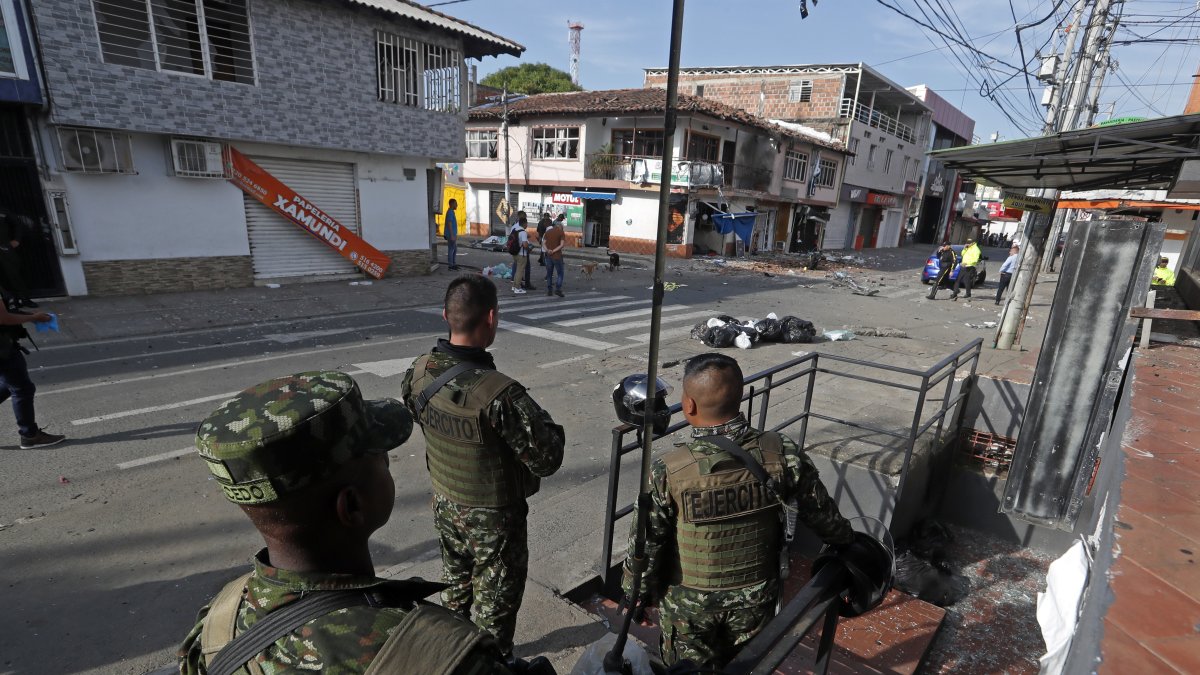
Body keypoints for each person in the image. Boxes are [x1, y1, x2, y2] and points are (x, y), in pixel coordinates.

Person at [177, 370, 519, 674]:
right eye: (381, 459)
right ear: (352, 505)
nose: (387, 464)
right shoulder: (441, 656)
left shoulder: (217, 624)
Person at [622, 353, 854, 669]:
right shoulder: (781, 452)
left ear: (689, 406)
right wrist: (848, 542)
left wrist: (636, 595)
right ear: (740, 395)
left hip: (689, 610)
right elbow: (825, 518)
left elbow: (646, 547)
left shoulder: (669, 471)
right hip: (756, 601)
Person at [401, 275, 565, 662]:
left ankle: (450, 654)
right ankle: (490, 665)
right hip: (493, 519)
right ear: (491, 319)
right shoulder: (500, 394)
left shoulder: (419, 370)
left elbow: (415, 412)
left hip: (445, 502)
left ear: (446, 315)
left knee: (456, 588)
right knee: (496, 605)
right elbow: (547, 459)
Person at [1, 302, 63, 449]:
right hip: (2, 350)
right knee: (22, 389)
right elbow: (2, 318)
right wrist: (33, 317)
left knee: (9, 383)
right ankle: (30, 435)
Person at [0, 210, 36, 309]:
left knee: (14, 274)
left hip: (4, 247)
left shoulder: (3, 211)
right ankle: (11, 301)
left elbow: (17, 224)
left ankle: (24, 299)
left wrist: (17, 239)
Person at [541, 215, 565, 298]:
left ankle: (549, 291)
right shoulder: (561, 232)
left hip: (548, 256)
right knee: (560, 273)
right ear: (560, 227)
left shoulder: (548, 232)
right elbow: (562, 245)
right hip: (557, 256)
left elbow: (543, 243)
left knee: (549, 273)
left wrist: (548, 250)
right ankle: (558, 289)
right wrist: (554, 251)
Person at [508, 213, 531, 295]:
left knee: (517, 270)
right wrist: (529, 249)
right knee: (520, 271)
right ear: (524, 224)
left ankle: (514, 286)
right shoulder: (523, 232)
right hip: (522, 254)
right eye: (527, 223)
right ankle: (517, 288)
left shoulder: (515, 229)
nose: (527, 225)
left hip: (515, 253)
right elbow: (525, 244)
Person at [444, 198, 459, 271]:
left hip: (451, 234)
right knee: (451, 249)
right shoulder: (450, 212)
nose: (457, 205)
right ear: (452, 204)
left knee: (454, 249)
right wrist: (452, 235)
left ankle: (453, 264)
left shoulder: (451, 212)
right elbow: (449, 224)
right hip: (450, 234)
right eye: (456, 204)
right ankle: (451, 266)